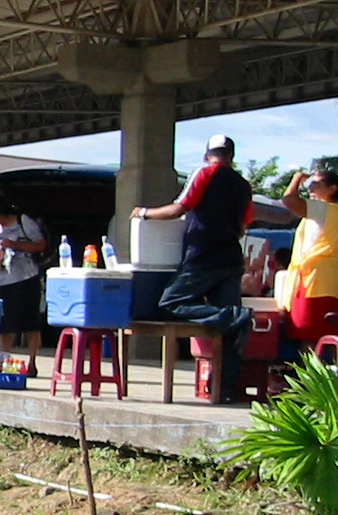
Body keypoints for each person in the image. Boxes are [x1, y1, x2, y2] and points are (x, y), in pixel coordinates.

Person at [132, 134, 254, 401]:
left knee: (169, 302)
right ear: (231, 156)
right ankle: (226, 391)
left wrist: (143, 213)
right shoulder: (243, 185)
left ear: (206, 154)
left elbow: (180, 207)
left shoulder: (204, 173)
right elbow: (244, 226)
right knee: (229, 329)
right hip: (231, 258)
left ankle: (232, 316)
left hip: (202, 256)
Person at [0, 190, 46, 374]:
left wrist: (14, 244)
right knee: (5, 323)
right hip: (2, 279)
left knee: (29, 322)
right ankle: (4, 358)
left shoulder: (22, 221)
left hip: (26, 276)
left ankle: (33, 361)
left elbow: (40, 244)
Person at [280, 168, 338, 340]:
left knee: (310, 336)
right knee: (328, 335)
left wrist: (297, 177)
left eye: (315, 185)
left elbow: (289, 200)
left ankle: (310, 368)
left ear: (332, 189)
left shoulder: (323, 208)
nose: (310, 189)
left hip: (316, 281)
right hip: (325, 280)